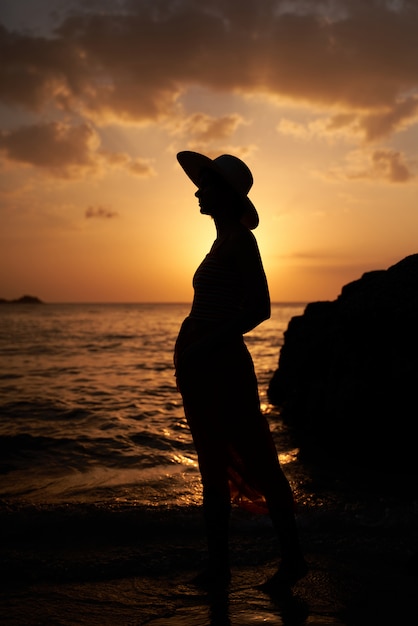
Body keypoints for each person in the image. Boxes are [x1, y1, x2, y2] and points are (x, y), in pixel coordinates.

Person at [174, 150, 307, 591]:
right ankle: (219, 568)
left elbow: (260, 308)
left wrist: (205, 344)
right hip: (203, 369)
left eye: (207, 184)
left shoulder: (240, 243)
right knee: (211, 462)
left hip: (223, 367)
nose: (197, 190)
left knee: (259, 461)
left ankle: (292, 560)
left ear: (226, 196)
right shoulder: (220, 242)